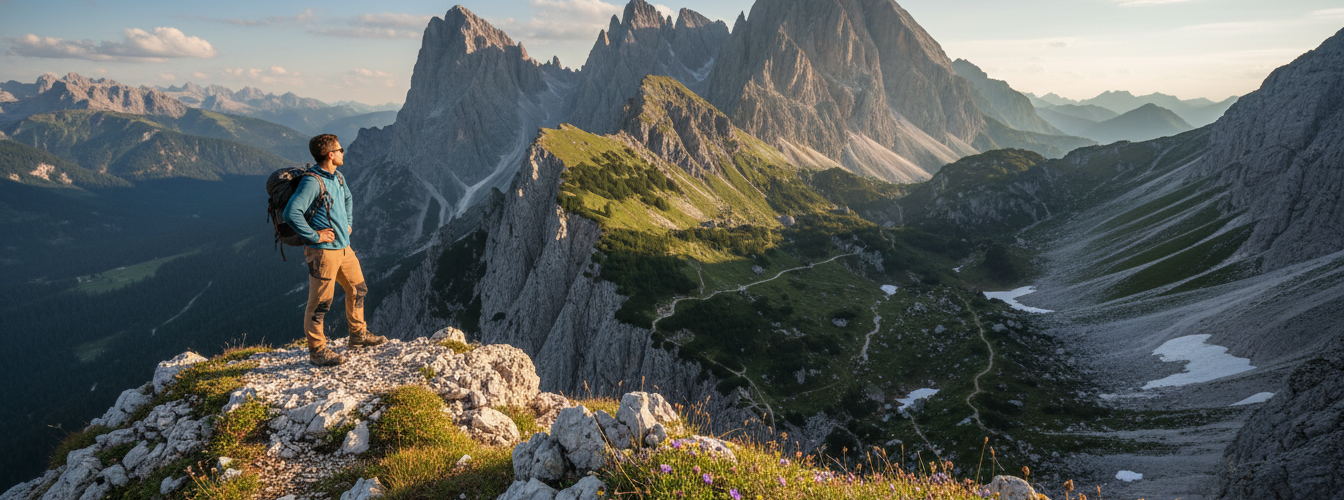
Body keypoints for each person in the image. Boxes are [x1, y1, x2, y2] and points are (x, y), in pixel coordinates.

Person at [284, 134, 386, 366]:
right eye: (340, 150)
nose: (343, 153)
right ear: (330, 155)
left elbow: (348, 198)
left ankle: (358, 336)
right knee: (320, 303)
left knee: (358, 289)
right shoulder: (312, 182)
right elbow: (291, 212)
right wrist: (314, 236)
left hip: (344, 249)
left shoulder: (337, 176)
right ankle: (317, 351)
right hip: (323, 253)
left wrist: (348, 222)